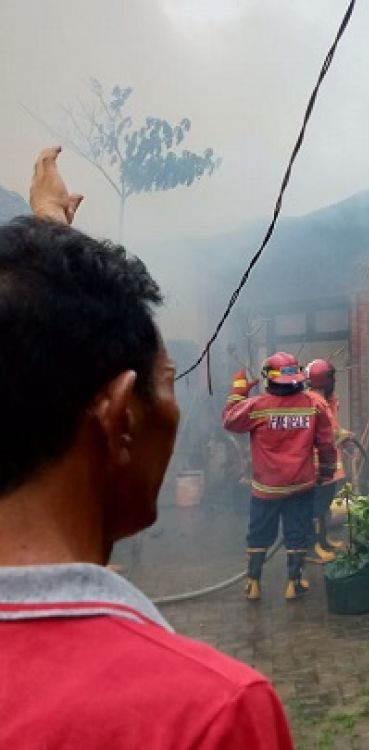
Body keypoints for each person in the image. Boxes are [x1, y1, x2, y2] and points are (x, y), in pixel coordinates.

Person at [0, 147, 293, 749]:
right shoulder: (210, 714)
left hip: (271, 490)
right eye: (167, 379)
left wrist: (45, 238)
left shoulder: (267, 402)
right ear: (120, 419)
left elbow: (28, 352)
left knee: (266, 540)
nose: (174, 403)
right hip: (286, 492)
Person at [223, 352, 335, 600]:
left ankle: (253, 583)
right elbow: (326, 444)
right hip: (300, 486)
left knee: (259, 533)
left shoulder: (256, 407)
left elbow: (229, 420)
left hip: (266, 489)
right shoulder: (313, 405)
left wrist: (239, 390)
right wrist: (326, 472)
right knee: (297, 532)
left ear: (269, 379)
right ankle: (294, 584)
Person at [304, 358, 351, 563]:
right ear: (327, 379)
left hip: (327, 467)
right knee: (316, 509)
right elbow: (331, 433)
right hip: (318, 468)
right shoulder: (316, 402)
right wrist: (345, 435)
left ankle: (323, 541)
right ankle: (312, 548)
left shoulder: (321, 399)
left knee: (323, 508)